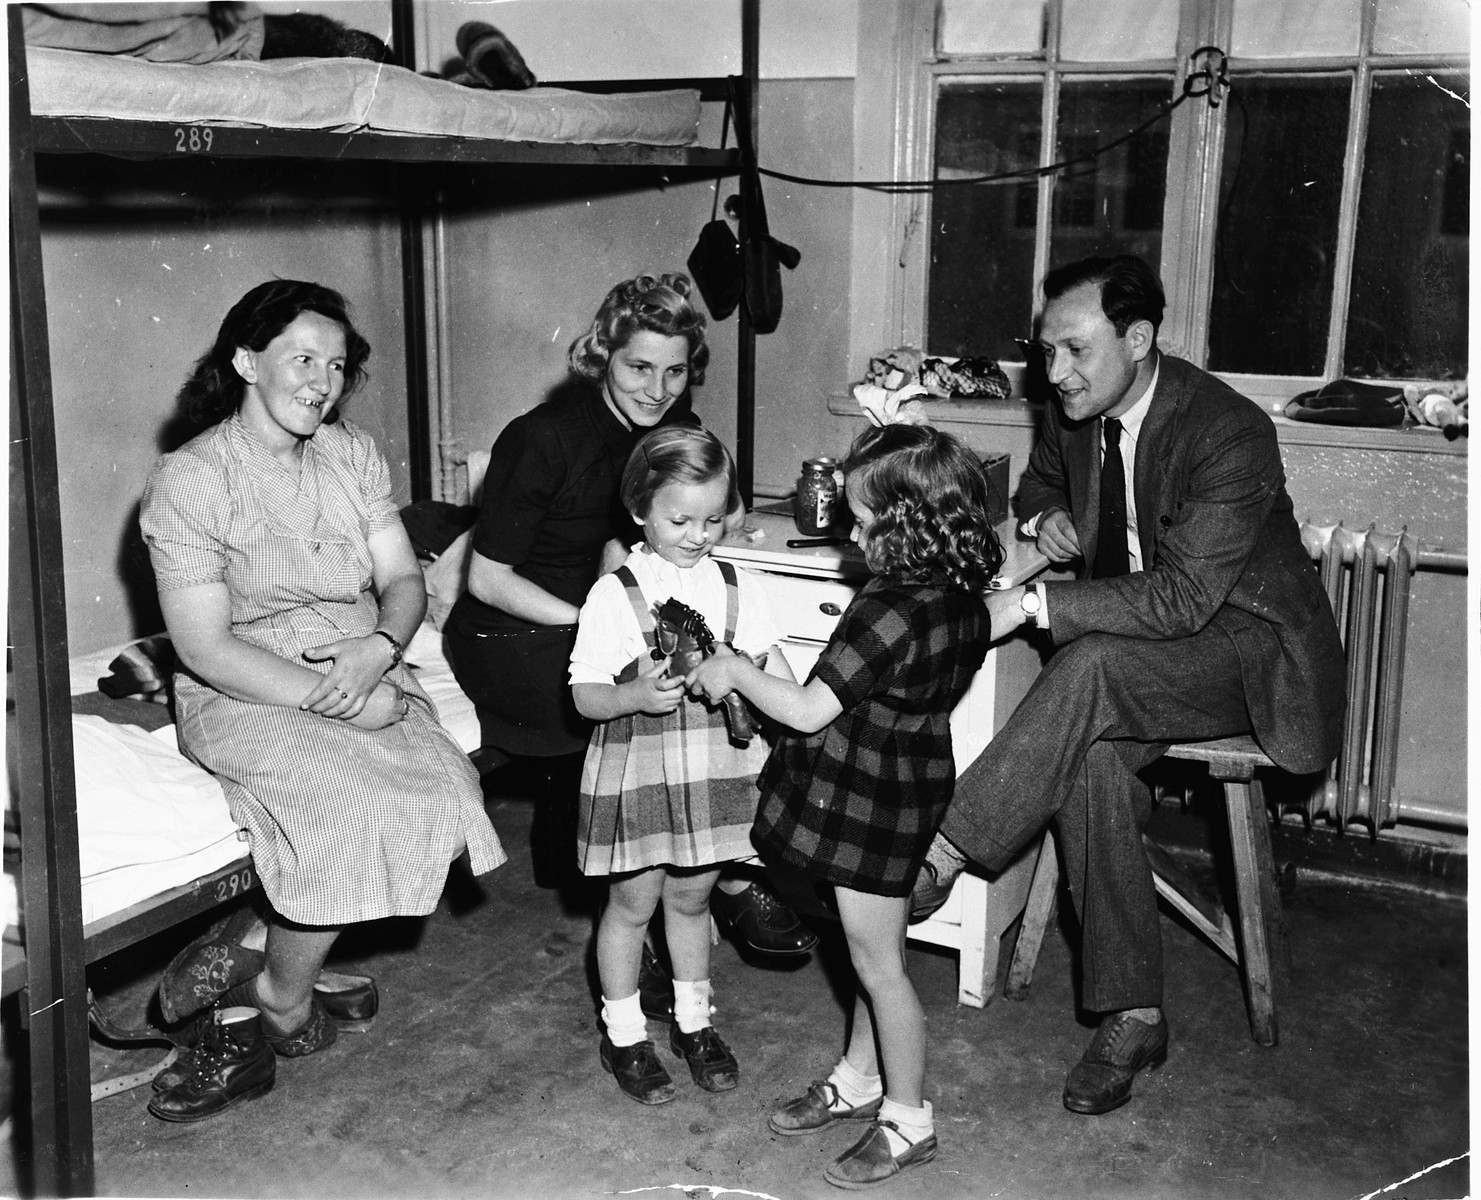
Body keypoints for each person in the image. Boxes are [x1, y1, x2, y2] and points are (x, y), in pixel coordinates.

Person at [914, 254, 1346, 1116]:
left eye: (1073, 350)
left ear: (1138, 338)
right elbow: (1038, 484)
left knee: (1090, 666)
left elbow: (1187, 598)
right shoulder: (1077, 407)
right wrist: (1048, 519)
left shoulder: (1226, 430)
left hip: (1242, 653)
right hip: (1138, 658)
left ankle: (943, 849)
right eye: (1044, 353)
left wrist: (1030, 601)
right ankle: (1133, 1012)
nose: (1055, 373)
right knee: (1090, 755)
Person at [139, 280, 505, 1122]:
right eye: (302, 359)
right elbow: (204, 648)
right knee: (354, 805)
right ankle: (283, 1000)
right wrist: (343, 701)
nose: (322, 382)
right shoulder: (191, 480)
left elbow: (403, 580)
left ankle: (266, 957)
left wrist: (379, 650)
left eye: (336, 365)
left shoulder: (350, 455)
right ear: (245, 362)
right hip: (246, 685)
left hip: (361, 659)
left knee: (446, 792)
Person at [443, 272, 816, 975]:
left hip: (615, 606)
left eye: (674, 371)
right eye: (638, 367)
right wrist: (609, 623)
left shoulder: (676, 431)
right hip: (518, 630)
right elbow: (488, 580)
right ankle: (662, 908)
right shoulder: (541, 436)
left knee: (724, 685)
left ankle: (719, 877)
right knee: (625, 708)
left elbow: (713, 508)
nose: (656, 388)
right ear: (601, 355)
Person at [686, 423, 1002, 1189]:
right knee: (868, 949)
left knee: (878, 964)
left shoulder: (887, 607)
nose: (850, 531)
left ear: (905, 526)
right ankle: (860, 1080)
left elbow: (801, 712)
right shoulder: (959, 598)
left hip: (867, 794)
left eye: (863, 519)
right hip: (903, 779)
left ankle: (907, 1121)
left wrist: (733, 669)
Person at [570, 425, 792, 1105]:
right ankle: (625, 1033)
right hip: (639, 769)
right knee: (632, 903)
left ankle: (694, 1025)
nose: (699, 534)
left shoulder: (739, 585)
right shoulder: (616, 593)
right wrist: (633, 694)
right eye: (679, 519)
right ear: (639, 509)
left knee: (693, 899)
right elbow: (583, 694)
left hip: (711, 771)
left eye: (713, 518)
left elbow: (777, 673)